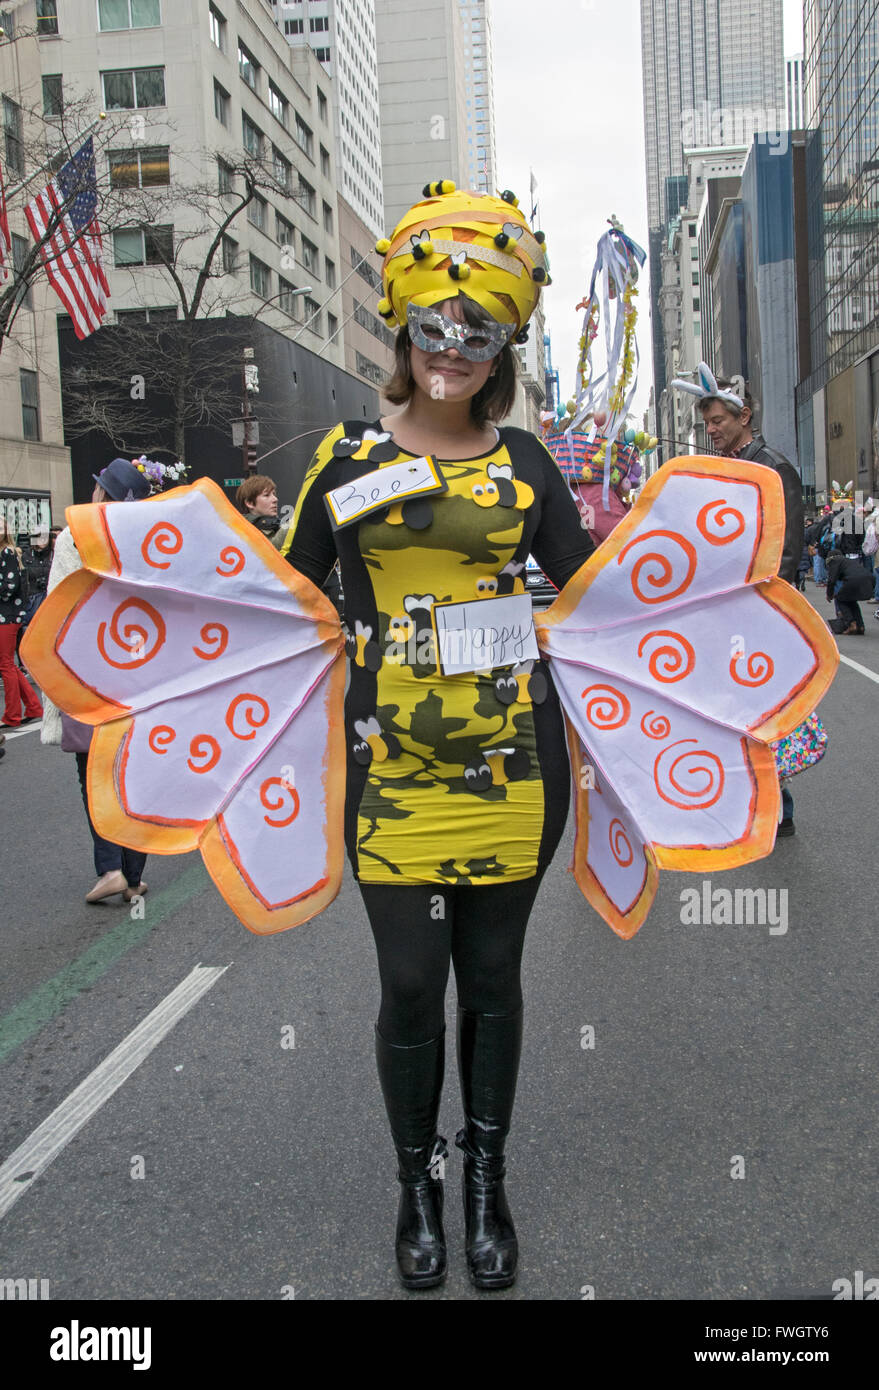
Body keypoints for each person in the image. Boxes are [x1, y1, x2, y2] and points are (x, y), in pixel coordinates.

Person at [280, 182, 591, 1291]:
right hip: (389, 772)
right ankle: (417, 1184)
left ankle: (487, 1180)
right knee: (412, 984)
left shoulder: (528, 468)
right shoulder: (345, 461)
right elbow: (278, 605)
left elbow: (607, 608)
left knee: (494, 978)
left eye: (478, 333)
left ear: (502, 345)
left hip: (513, 766)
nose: (451, 349)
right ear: (406, 334)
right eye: (433, 329)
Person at [40, 460, 151, 903]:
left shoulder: (76, 536)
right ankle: (133, 873)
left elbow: (58, 605)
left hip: (89, 672)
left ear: (101, 494)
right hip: (139, 672)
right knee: (134, 774)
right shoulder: (146, 544)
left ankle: (110, 868)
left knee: (93, 771)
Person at [0, 515, 44, 729]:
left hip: (7, 615)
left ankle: (12, 715)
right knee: (9, 664)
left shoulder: (6, 552)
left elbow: (9, 586)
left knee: (6, 665)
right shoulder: (7, 552)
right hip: (7, 614)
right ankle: (33, 707)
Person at [824, 549, 872, 635]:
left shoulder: (835, 561)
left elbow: (832, 580)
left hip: (854, 580)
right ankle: (860, 626)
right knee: (852, 601)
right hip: (868, 579)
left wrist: (829, 594)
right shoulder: (847, 561)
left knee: (840, 599)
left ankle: (851, 624)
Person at [235, 475, 286, 549]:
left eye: (274, 494)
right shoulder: (241, 533)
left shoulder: (276, 525)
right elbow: (271, 551)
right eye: (266, 495)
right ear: (249, 503)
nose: (275, 499)